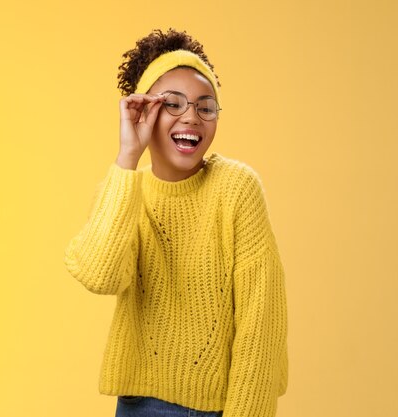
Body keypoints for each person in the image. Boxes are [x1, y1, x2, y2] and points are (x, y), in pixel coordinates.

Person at [64, 28, 288, 417]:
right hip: (135, 404)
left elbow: (261, 322)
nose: (192, 117)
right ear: (145, 111)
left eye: (206, 106)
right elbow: (99, 275)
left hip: (213, 409)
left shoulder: (237, 188)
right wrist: (127, 156)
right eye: (173, 104)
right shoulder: (123, 189)